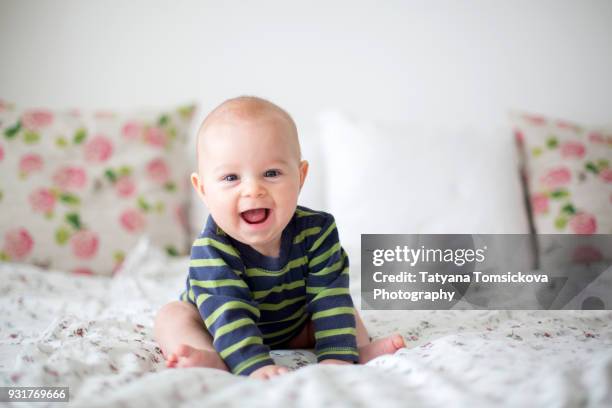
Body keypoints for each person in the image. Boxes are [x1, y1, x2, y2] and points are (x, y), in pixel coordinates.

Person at [154, 96, 405, 380]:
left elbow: (328, 296)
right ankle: (213, 358)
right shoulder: (212, 248)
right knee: (172, 317)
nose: (253, 189)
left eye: (271, 173)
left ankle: (357, 351)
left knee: (340, 305)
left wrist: (337, 357)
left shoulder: (318, 231)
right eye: (231, 178)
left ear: (300, 176)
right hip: (218, 329)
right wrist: (254, 365)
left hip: (295, 328)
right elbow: (228, 312)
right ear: (202, 189)